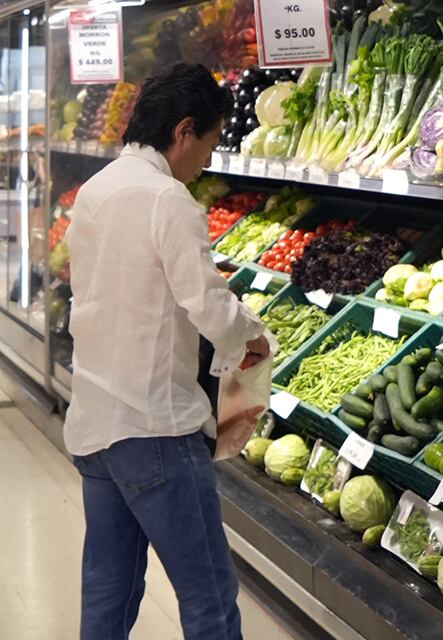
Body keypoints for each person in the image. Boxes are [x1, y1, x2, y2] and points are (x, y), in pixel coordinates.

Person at [64, 63, 267, 640]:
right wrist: (249, 337)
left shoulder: (95, 190)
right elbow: (206, 303)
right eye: (206, 146)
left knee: (109, 586)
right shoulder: (167, 199)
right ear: (183, 131)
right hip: (155, 428)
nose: (205, 163)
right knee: (209, 595)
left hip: (97, 421)